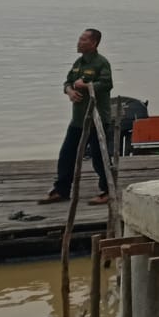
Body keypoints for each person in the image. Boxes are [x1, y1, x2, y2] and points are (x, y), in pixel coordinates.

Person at [40, 28, 113, 205]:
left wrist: (86, 86)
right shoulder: (78, 63)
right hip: (78, 119)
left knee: (99, 157)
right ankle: (61, 190)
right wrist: (70, 91)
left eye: (83, 39)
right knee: (67, 154)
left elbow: (106, 84)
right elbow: (67, 82)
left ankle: (107, 191)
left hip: (96, 120)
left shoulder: (101, 63)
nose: (79, 42)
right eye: (79, 38)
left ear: (93, 43)